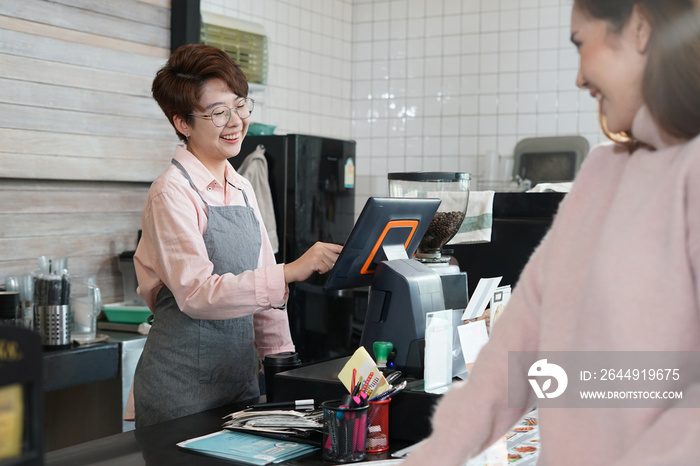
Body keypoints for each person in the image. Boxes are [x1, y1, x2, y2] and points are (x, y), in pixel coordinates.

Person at [402, 1, 700, 464]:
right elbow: (515, 353)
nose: (579, 77)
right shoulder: (603, 172)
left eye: (581, 42)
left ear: (640, 27)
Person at [127, 44, 342, 427]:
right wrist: (292, 270)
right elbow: (196, 294)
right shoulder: (171, 192)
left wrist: (282, 367)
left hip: (239, 386)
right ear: (182, 123)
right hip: (180, 394)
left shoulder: (242, 186)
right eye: (218, 112)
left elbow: (264, 286)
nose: (236, 121)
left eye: (240, 105)